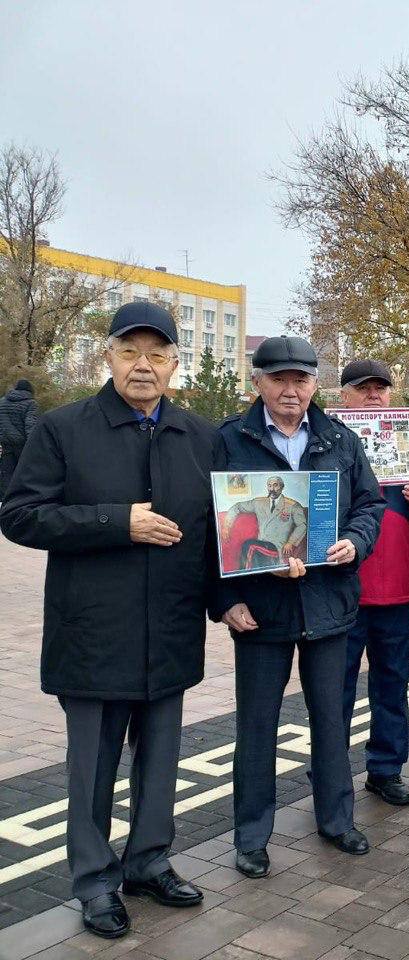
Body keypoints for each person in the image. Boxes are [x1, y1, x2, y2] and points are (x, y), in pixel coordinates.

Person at [0, 303, 214, 938]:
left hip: (171, 631)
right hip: (93, 633)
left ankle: (149, 860)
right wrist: (116, 521)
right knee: (92, 767)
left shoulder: (200, 436)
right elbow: (19, 514)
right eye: (130, 352)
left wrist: (232, 594)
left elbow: (219, 532)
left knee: (161, 761)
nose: (142, 365)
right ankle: (95, 881)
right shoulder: (64, 429)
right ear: (109, 357)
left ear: (175, 364)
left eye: (157, 354)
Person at [212, 335, 385, 880]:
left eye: (301, 379)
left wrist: (355, 541)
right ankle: (252, 836)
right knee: (257, 725)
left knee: (332, 720)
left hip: (327, 603)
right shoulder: (229, 441)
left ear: (315, 384)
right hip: (260, 610)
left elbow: (370, 505)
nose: (291, 389)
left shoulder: (340, 439)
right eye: (279, 378)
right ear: (257, 382)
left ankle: (336, 820)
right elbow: (206, 527)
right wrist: (224, 599)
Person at [337, 359, 409, 808]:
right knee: (334, 688)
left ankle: (386, 770)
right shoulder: (327, 445)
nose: (374, 396)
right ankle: (332, 773)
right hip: (340, 590)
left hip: (397, 589)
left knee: (392, 686)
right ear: (344, 396)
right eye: (363, 388)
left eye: (381, 388)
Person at [222, 474, 307, 562]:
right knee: (251, 548)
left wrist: (291, 542)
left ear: (282, 487)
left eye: (275, 485)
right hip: (260, 546)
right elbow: (237, 507)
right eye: (269, 486)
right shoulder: (259, 502)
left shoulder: (292, 506)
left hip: (277, 548)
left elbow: (302, 525)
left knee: (249, 545)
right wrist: (226, 526)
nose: (272, 489)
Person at [0, 377, 38, 500]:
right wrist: (33, 445)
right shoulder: (30, 403)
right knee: (24, 472)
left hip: (5, 442)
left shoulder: (2, 402)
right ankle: (20, 499)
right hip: (22, 444)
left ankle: (6, 500)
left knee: (7, 472)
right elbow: (30, 425)